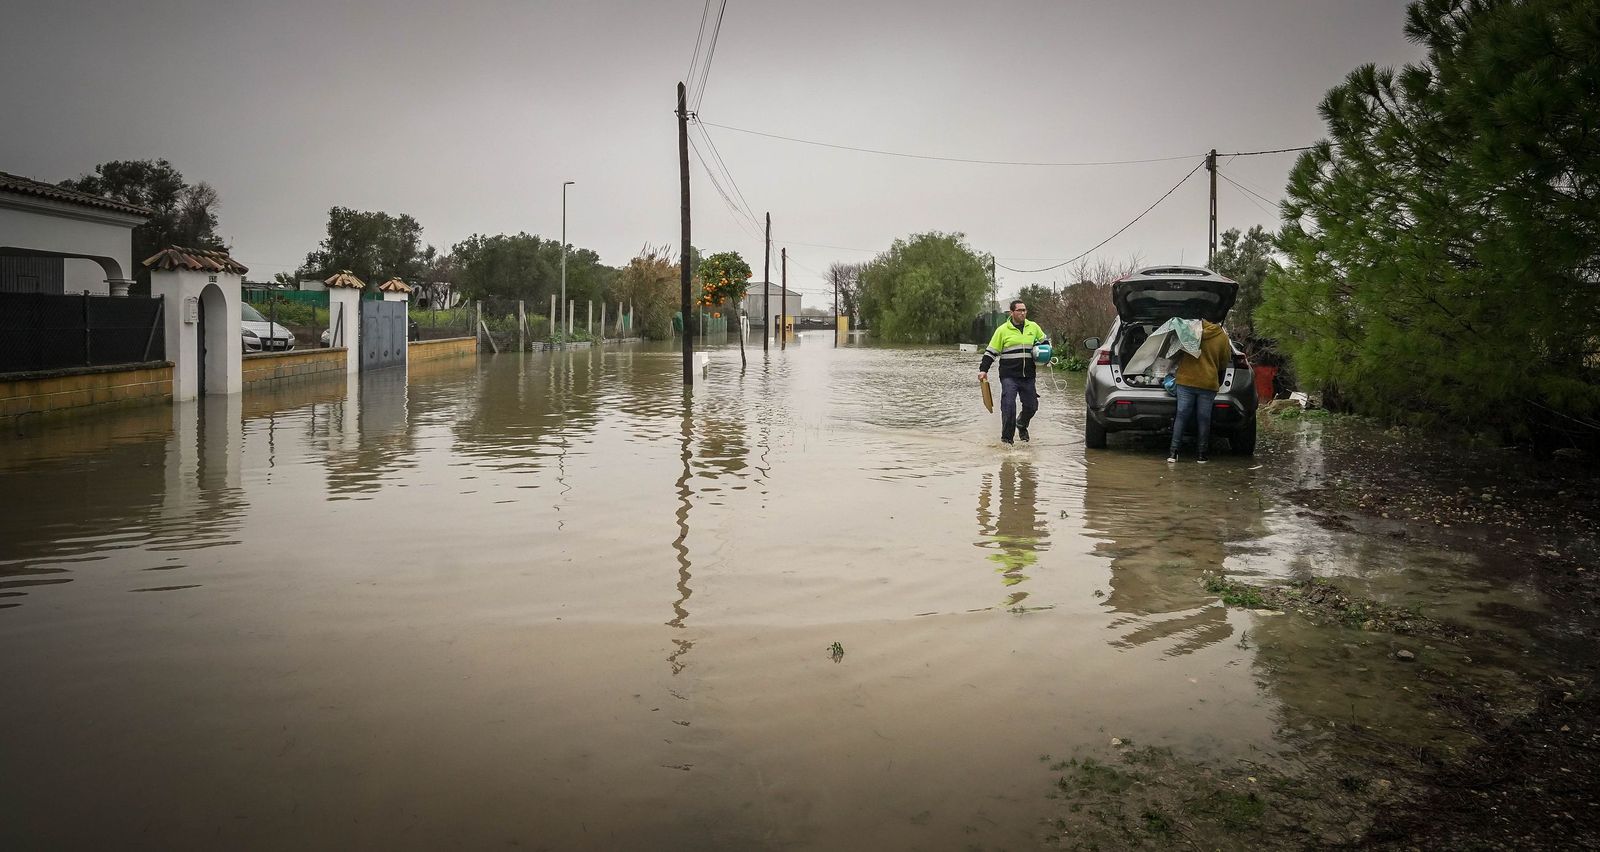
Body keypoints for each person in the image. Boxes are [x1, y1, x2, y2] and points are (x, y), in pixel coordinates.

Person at [978, 300, 1049, 444]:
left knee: (1031, 406)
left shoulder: (1033, 327)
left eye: (1024, 310)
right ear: (1012, 313)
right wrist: (983, 370)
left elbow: (1045, 343)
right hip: (1009, 376)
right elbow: (991, 352)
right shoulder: (1002, 330)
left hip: (1028, 376)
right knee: (1009, 406)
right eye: (1019, 310)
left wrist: (1044, 352)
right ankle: (1007, 441)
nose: (1022, 313)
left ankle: (1021, 424)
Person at [1167, 319, 1233, 464]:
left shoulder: (1188, 331)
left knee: (1182, 416)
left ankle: (1173, 453)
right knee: (1204, 418)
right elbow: (1223, 363)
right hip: (1208, 383)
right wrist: (1217, 381)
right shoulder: (1222, 337)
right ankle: (1202, 455)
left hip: (1186, 380)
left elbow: (1174, 353)